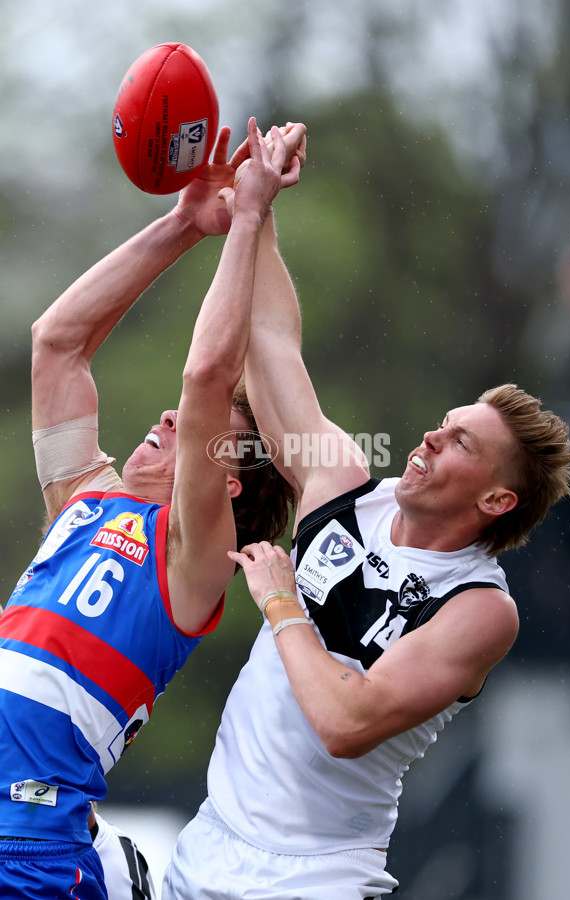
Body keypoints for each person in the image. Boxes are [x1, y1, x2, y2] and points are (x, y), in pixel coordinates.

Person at [163, 194, 570, 898]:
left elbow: (345, 723)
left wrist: (282, 603)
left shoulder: (478, 607)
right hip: (207, 844)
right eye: (443, 424)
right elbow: (272, 343)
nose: (430, 438)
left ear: (495, 500)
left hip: (315, 875)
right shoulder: (345, 484)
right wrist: (258, 206)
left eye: (460, 442)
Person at [0, 118, 304, 899]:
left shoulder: (193, 556)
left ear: (226, 482)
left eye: (200, 430)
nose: (171, 417)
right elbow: (57, 343)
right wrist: (185, 223)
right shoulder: (85, 496)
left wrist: (249, 217)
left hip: (26, 846)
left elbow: (206, 377)